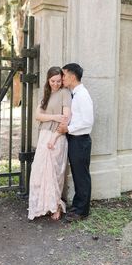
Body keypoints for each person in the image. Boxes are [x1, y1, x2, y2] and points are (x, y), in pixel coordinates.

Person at [28, 66, 71, 221]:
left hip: (56, 137)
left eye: (59, 81)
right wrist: (53, 116)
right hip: (43, 136)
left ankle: (56, 206)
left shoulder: (65, 93)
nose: (56, 84)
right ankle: (44, 205)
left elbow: (66, 118)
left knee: (54, 172)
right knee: (40, 172)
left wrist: (54, 137)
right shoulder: (46, 94)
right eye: (53, 81)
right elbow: (38, 116)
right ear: (48, 80)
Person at [57, 63, 94, 222]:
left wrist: (68, 129)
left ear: (72, 76)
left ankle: (82, 211)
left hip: (80, 140)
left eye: (64, 75)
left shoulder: (82, 95)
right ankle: (78, 206)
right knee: (78, 175)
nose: (62, 78)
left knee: (81, 176)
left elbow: (88, 121)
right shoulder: (75, 94)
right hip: (75, 139)